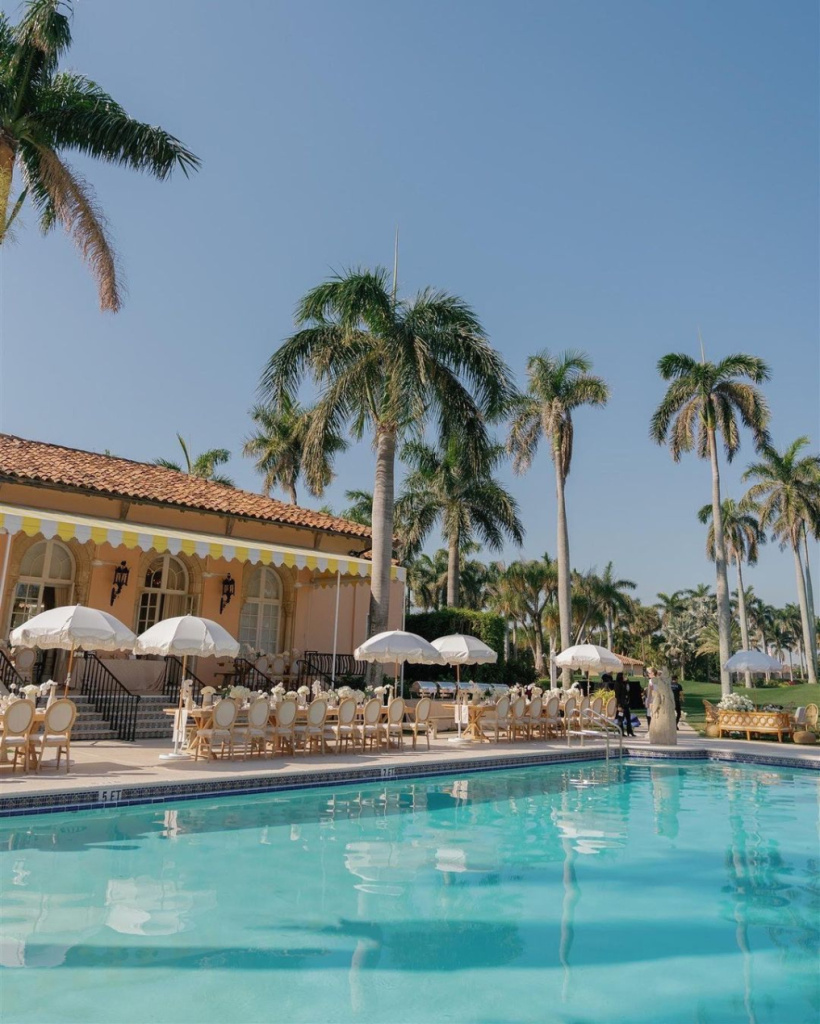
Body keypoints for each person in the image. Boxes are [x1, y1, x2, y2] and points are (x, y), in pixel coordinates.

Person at [614, 672, 634, 737]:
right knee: (620, 718)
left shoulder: (624, 684)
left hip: (625, 703)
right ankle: (621, 731)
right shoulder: (617, 684)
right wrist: (619, 705)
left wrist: (626, 682)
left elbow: (627, 690)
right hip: (621, 704)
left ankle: (629, 731)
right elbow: (617, 695)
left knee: (628, 717)